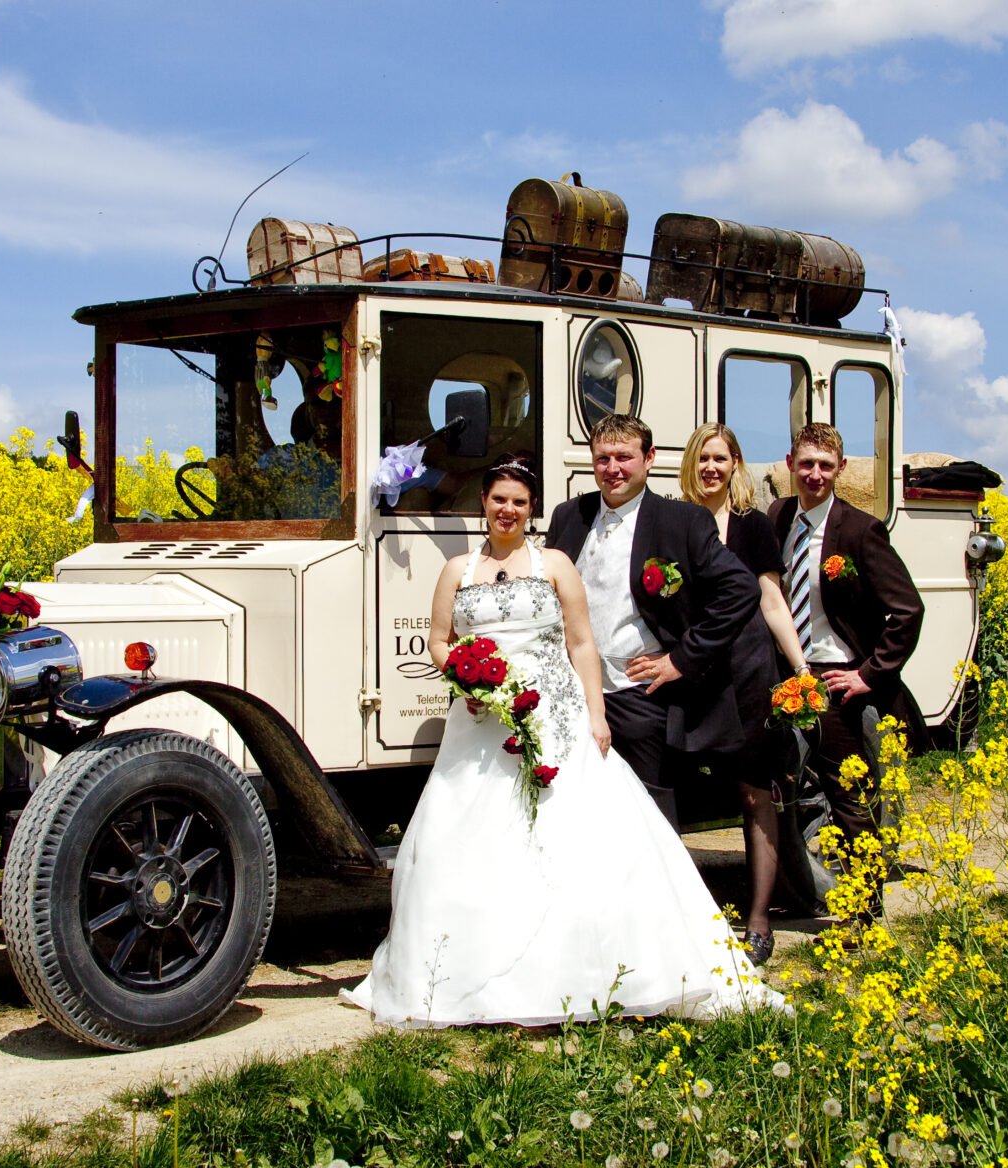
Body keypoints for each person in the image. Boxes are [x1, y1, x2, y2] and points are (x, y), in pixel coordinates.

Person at [344, 454, 786, 1026]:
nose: (508, 510)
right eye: (499, 499)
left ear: (531, 511)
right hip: (482, 722)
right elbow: (438, 640)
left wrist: (596, 716)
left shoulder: (553, 563)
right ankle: (468, 976)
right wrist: (466, 678)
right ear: (483, 503)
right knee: (468, 837)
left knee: (570, 837)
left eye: (520, 502)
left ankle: (583, 973)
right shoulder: (457, 569)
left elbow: (581, 644)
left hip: (557, 715)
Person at [544, 415, 779, 832]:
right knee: (577, 813)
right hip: (575, 695)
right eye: (602, 459)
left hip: (638, 694)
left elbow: (741, 589)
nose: (612, 468)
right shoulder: (570, 517)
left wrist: (682, 659)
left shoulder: (682, 521)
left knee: (649, 820)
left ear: (649, 459)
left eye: (623, 457)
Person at [765, 422, 925, 924]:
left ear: (841, 469)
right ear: (790, 464)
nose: (815, 475)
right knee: (776, 790)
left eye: (825, 466)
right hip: (786, 675)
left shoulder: (860, 530)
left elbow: (908, 610)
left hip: (836, 680)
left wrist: (868, 674)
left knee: (850, 800)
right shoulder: (778, 516)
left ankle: (864, 913)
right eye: (806, 463)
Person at [677, 422, 811, 961]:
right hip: (690, 669)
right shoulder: (671, 521)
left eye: (721, 458)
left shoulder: (754, 527)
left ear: (735, 464)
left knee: (756, 793)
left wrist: (800, 670)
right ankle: (682, 917)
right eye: (702, 457)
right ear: (691, 464)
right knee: (671, 791)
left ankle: (758, 920)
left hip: (750, 666)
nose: (711, 467)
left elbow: (772, 602)